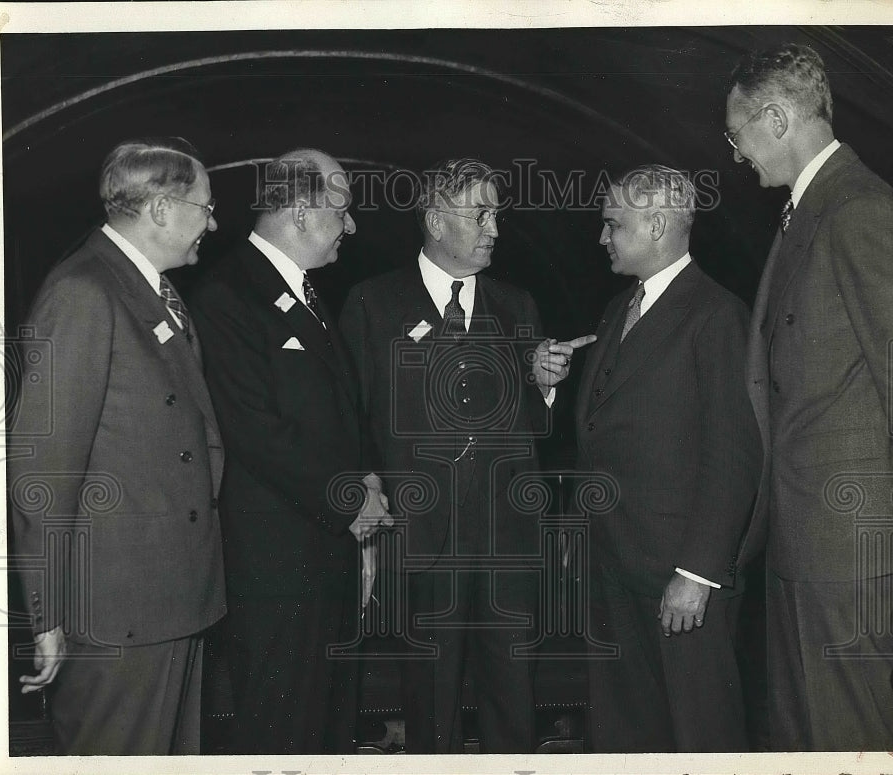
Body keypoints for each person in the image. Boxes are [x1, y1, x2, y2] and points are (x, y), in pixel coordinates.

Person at [725, 43, 893, 750]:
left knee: (842, 736)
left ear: (776, 117)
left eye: (736, 136)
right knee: (804, 738)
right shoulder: (809, 209)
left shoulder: (856, 208)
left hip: (846, 540)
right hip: (805, 533)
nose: (735, 155)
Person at [339, 158, 593, 753]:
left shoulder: (518, 304)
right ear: (433, 219)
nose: (494, 229)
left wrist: (542, 381)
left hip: (508, 541)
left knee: (513, 697)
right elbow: (353, 421)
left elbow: (539, 427)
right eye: (479, 213)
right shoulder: (373, 304)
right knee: (429, 705)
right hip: (420, 540)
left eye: (496, 214)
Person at [8, 137, 225, 755]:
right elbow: (41, 473)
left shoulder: (153, 292)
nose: (213, 221)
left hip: (172, 599)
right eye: (205, 207)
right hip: (115, 614)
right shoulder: (84, 292)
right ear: (160, 209)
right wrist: (48, 615)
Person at [189, 148, 392, 754]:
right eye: (343, 209)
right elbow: (256, 431)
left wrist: (367, 485)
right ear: (301, 212)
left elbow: (331, 416)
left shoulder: (301, 291)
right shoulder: (229, 294)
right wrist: (351, 500)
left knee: (327, 733)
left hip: (323, 556)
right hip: (276, 570)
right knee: (280, 736)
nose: (351, 226)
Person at [577, 165, 761, 752]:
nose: (601, 238)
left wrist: (697, 574)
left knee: (700, 731)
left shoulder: (718, 317)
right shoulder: (616, 309)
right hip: (612, 563)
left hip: (678, 579)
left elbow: (734, 455)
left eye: (612, 224)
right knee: (629, 732)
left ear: (657, 225)